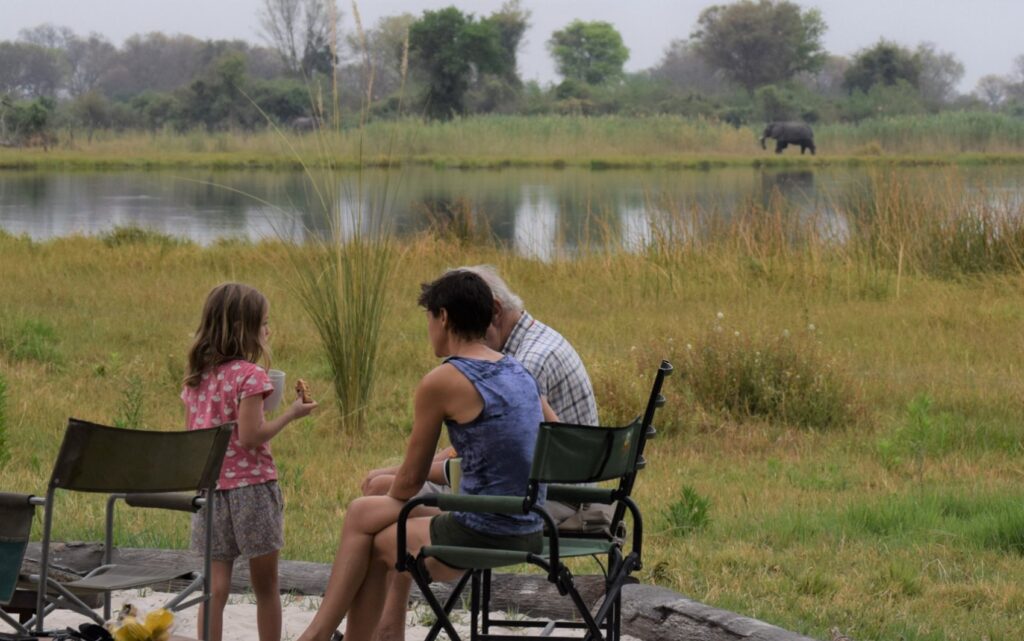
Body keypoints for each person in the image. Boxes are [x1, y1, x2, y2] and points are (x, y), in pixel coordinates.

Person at [295, 270, 555, 641]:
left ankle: (319, 635)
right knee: (366, 514)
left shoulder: (444, 380)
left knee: (368, 529)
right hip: (529, 524)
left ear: (444, 317)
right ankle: (335, 634)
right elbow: (550, 433)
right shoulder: (519, 370)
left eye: (429, 318)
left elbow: (410, 481)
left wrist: (390, 494)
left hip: (483, 531)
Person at [361, 265, 601, 641]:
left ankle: (382, 629)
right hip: (540, 494)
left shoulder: (521, 365)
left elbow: (483, 460)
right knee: (387, 494)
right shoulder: (517, 355)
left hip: (541, 503)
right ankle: (386, 627)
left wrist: (400, 475)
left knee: (380, 506)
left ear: (488, 311)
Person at [182, 282, 318, 641]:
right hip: (252, 490)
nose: (268, 330)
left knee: (216, 584)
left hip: (211, 491)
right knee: (266, 586)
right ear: (245, 329)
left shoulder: (197, 378)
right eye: (264, 323)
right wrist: (291, 413)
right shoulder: (251, 376)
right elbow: (251, 436)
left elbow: (193, 438)